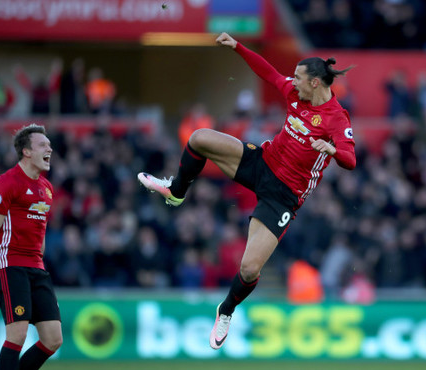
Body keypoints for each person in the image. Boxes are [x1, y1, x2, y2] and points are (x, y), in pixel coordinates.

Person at [137, 32, 356, 350]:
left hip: (284, 194)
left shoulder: (337, 119)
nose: (291, 81)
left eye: (297, 77)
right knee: (199, 138)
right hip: (262, 162)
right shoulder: (296, 94)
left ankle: (225, 310)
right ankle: (177, 191)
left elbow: (351, 159)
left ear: (315, 83)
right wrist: (238, 47)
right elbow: (267, 72)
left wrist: (333, 151)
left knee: (250, 267)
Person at [0, 123, 62, 369]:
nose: (50, 149)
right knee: (17, 336)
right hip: (10, 265)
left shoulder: (46, 189)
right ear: (26, 152)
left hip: (37, 267)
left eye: (49, 145)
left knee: (53, 339)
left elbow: (41, 232)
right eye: (43, 145)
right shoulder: (7, 182)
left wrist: (40, 264)